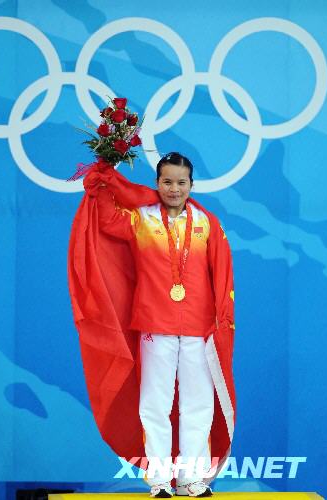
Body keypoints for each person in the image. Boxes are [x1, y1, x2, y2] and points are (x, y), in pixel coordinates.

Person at [68, 152, 235, 498]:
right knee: (155, 404)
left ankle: (192, 479)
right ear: (157, 183)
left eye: (181, 182)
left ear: (192, 184)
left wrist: (221, 323)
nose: (174, 189)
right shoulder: (141, 219)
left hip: (199, 327)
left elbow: (223, 276)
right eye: (167, 181)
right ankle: (160, 480)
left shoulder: (207, 224)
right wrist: (101, 183)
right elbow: (107, 222)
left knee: (197, 403)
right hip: (154, 326)